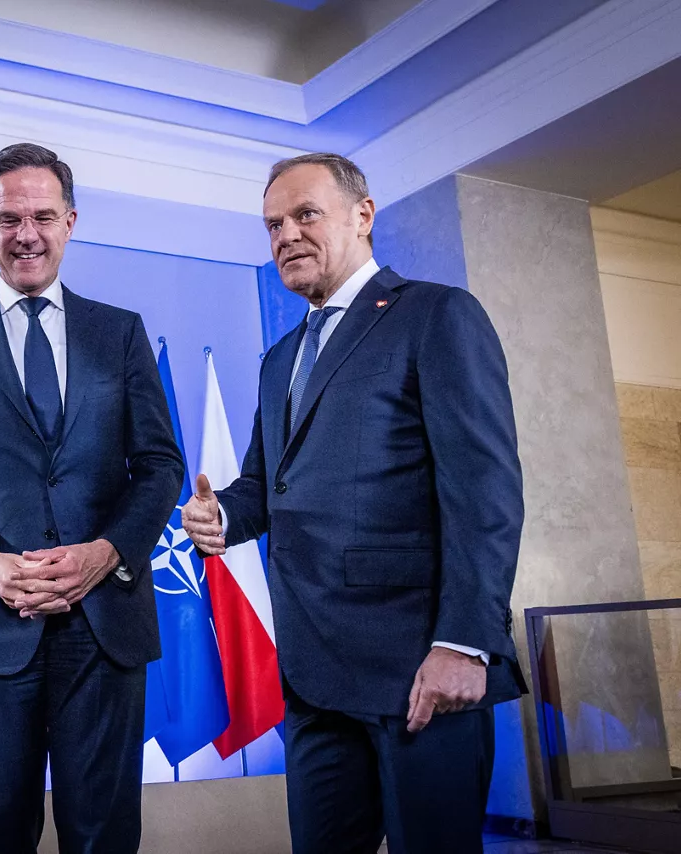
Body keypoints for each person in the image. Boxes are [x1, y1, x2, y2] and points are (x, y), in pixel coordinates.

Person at [182, 153, 525, 854]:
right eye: (273, 224)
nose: (285, 235)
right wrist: (221, 517)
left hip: (417, 670)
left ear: (363, 216)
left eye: (305, 214)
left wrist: (464, 643)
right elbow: (264, 485)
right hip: (312, 677)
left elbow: (484, 490)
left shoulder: (436, 315)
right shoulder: (280, 358)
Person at [0, 142, 182, 854]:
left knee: (104, 836)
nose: (28, 233)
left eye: (44, 216)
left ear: (71, 221)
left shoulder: (120, 333)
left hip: (104, 624)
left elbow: (158, 464)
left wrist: (108, 552)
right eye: (10, 218)